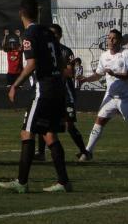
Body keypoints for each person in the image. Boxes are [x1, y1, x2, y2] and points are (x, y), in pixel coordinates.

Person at [0, 0, 71, 193]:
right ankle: (64, 182)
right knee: (49, 134)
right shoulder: (49, 33)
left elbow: (31, 65)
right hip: (57, 86)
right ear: (37, 13)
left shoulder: (30, 34)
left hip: (44, 89)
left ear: (21, 13)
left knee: (27, 132)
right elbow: (62, 63)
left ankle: (21, 182)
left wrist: (15, 85)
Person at [77, 29, 128, 162]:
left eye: (114, 38)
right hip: (110, 96)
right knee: (99, 121)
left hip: (126, 97)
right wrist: (85, 79)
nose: (110, 40)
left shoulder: (127, 53)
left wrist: (115, 75)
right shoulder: (104, 56)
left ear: (120, 41)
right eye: (109, 38)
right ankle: (88, 152)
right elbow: (98, 75)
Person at [35, 24, 89, 161]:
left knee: (69, 124)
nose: (52, 37)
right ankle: (41, 153)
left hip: (66, 94)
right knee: (43, 122)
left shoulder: (66, 51)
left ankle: (84, 152)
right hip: (51, 92)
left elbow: (70, 72)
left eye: (54, 34)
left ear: (60, 36)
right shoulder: (45, 50)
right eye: (50, 34)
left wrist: (54, 70)